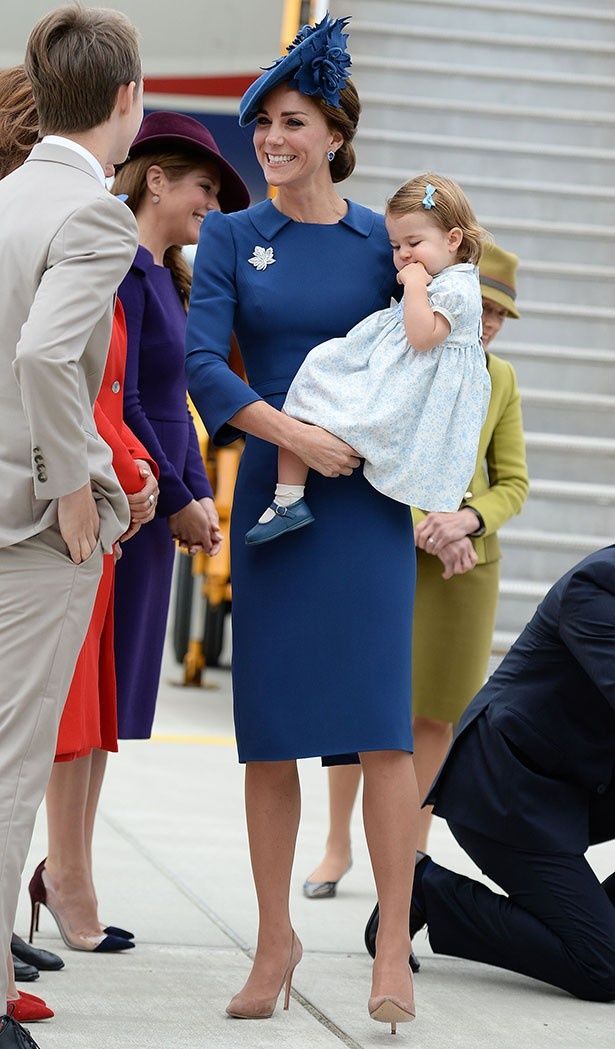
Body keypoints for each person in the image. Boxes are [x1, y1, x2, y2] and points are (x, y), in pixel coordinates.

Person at [186, 16, 419, 1033]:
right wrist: (294, 434)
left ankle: (394, 944)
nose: (271, 139)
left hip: (368, 507)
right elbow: (202, 366)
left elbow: (434, 355)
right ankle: (274, 935)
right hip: (278, 505)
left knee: (380, 728)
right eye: (262, 123)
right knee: (271, 730)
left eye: (291, 122)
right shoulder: (234, 237)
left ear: (333, 132)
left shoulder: (382, 241)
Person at [305, 242, 529, 904]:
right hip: (390, 553)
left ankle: (409, 853)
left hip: (464, 569)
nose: (486, 323)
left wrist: (465, 521)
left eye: (498, 314)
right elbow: (374, 457)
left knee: (436, 717)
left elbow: (511, 482)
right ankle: (337, 843)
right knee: (367, 713)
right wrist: (424, 524)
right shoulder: (402, 359)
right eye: (479, 307)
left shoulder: (502, 378)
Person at [0, 4, 143, 1043]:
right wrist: (73, 488)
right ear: (128, 100)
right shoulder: (95, 213)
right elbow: (50, 358)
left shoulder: (10, 196)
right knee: (12, 764)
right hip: (32, 529)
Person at [369, 544, 615, 1003]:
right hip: (507, 792)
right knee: (605, 966)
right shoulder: (599, 588)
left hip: (570, 791)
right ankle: (426, 889)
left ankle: (583, 917)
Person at [247, 172, 490, 545]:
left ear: (453, 239)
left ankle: (288, 498)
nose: (403, 255)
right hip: (397, 374)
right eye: (395, 245)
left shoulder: (457, 287)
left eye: (414, 242)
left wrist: (411, 286)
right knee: (315, 375)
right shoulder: (440, 280)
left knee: (316, 382)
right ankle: (289, 497)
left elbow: (423, 337)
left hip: (406, 388)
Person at [112, 112, 249, 740]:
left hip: (157, 499)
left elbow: (178, 403)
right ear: (158, 181)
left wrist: (197, 494)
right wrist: (178, 499)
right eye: (206, 188)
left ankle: (74, 845)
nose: (213, 205)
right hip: (131, 498)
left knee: (121, 698)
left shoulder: (168, 277)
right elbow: (125, 400)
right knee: (99, 689)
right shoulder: (126, 273)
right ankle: (71, 843)